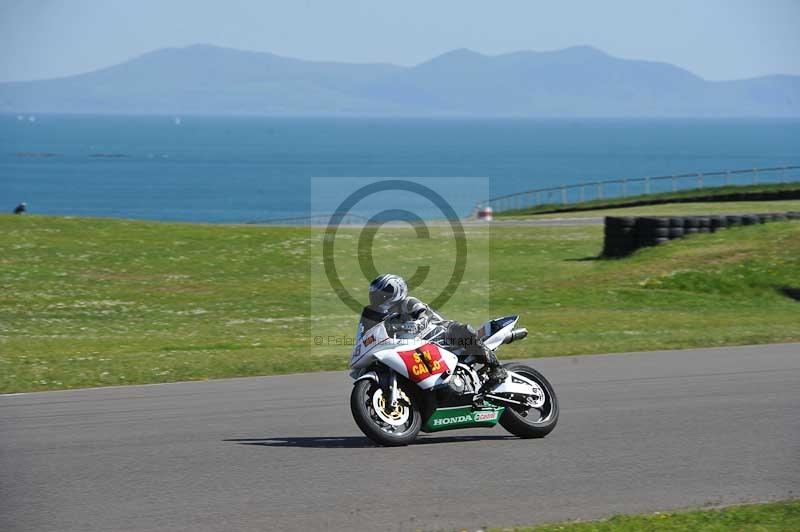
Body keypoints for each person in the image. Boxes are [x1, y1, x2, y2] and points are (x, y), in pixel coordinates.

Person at [359, 273, 507, 395]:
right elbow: (367, 332)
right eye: (376, 294)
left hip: (440, 332)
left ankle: (496, 368)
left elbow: (423, 315)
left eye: (383, 293)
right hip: (414, 345)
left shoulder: (408, 303)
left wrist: (417, 322)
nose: (379, 298)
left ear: (396, 291)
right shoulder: (381, 315)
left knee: (464, 331)